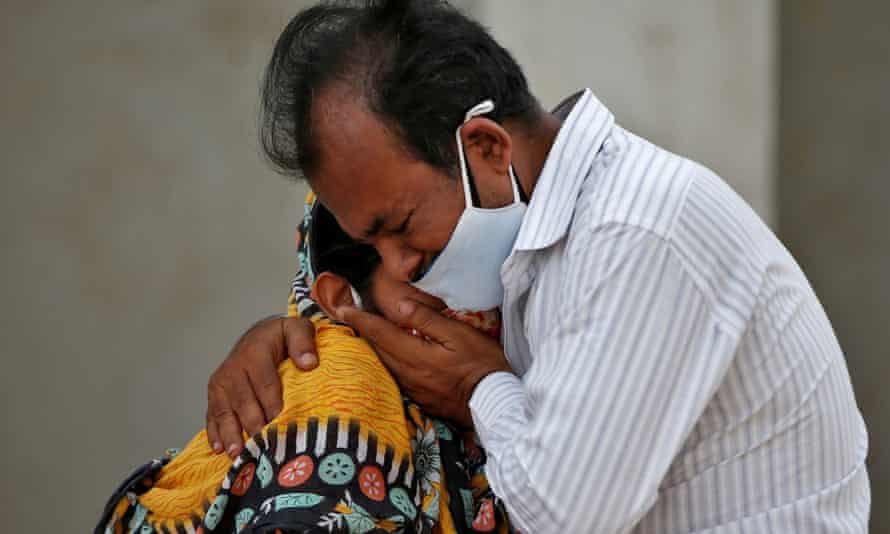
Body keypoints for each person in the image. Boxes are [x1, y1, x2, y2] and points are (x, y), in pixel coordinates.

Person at [207, 1, 870, 532]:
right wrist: (296, 344)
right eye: (371, 248)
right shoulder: (525, 251)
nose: (403, 267)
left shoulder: (636, 231)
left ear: (488, 148)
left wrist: (478, 384)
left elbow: (559, 515)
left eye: (401, 227)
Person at [95, 193, 511, 534]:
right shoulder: (341, 398)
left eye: (482, 262)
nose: (474, 299)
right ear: (341, 299)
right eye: (427, 271)